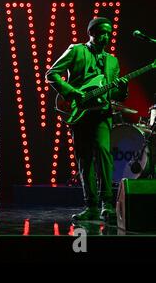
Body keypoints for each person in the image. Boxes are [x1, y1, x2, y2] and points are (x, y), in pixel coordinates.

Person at [46, 17, 128, 222]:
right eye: (101, 32)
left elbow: (114, 94)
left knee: (103, 153)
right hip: (80, 114)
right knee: (85, 160)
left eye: (109, 33)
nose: (106, 37)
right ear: (91, 32)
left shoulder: (112, 61)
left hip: (102, 114)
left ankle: (106, 204)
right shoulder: (76, 50)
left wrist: (122, 88)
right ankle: (90, 205)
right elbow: (52, 74)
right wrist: (73, 93)